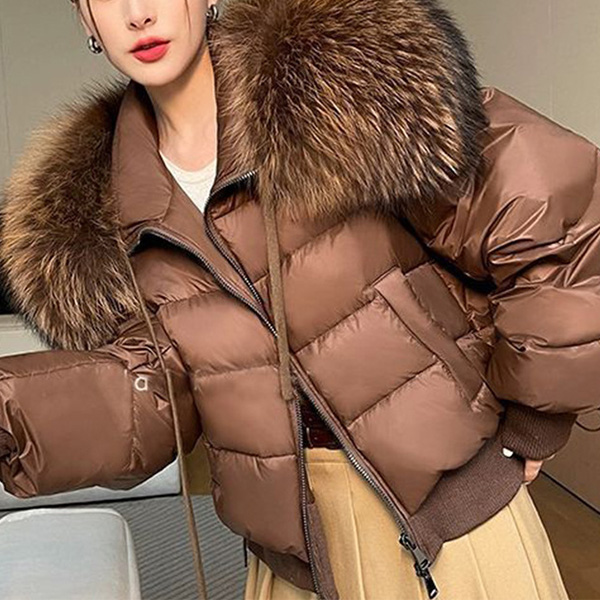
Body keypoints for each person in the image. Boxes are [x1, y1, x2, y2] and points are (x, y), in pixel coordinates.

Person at [0, 0, 597, 598]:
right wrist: (11, 418)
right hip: (298, 559)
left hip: (456, 529)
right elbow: (154, 394)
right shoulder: (107, 212)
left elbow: (555, 216)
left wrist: (535, 421)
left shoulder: (343, 84)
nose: (138, 14)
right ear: (85, 19)